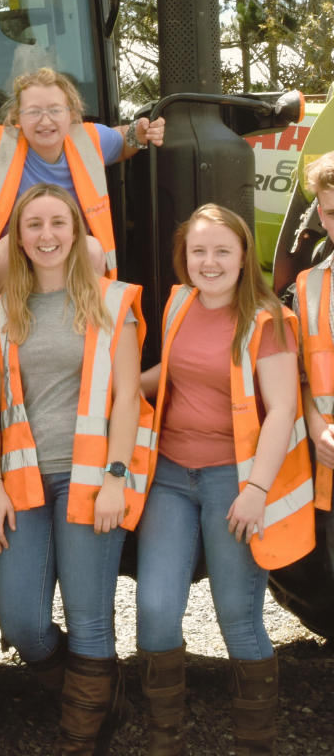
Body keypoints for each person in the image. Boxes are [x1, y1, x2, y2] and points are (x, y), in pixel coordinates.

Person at [135, 204, 314, 756]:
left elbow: (282, 409)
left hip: (233, 483)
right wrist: (108, 387)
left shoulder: (267, 320)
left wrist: (256, 491)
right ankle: (168, 742)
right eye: (197, 251)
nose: (208, 262)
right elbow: (174, 372)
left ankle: (255, 746)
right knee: (155, 611)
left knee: (238, 617)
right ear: (183, 257)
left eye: (221, 251)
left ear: (242, 258)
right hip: (169, 475)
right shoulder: (180, 303)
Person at [0, 184, 148, 756]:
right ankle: (106, 699)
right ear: (19, 238)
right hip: (24, 479)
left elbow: (127, 398)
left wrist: (115, 479)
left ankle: (81, 739)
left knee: (89, 618)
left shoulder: (112, 300)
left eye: (57, 223)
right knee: (22, 620)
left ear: (76, 232)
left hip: (92, 478)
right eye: (33, 226)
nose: (46, 235)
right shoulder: (3, 312)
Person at [0, 67, 166, 311]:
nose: (45, 121)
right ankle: (15, 327)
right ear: (17, 118)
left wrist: (140, 134)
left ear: (72, 114)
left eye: (55, 110)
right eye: (33, 112)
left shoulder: (90, 140)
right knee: (10, 252)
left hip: (70, 261)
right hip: (14, 269)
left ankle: (79, 324)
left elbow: (122, 141)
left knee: (91, 249)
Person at [295, 151, 334, 574]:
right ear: (321, 216)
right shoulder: (309, 286)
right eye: (333, 211)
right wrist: (318, 428)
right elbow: (305, 375)